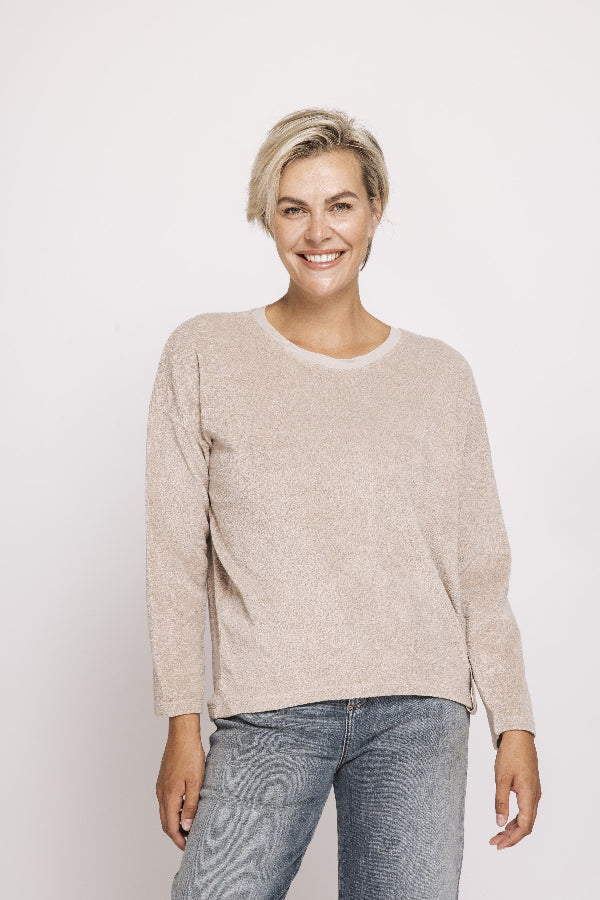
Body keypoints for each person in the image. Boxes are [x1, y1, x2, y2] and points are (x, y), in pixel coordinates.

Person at [145, 107, 542, 899]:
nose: (318, 231)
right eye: (294, 208)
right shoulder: (205, 353)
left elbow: (480, 567)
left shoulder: (440, 377)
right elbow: (175, 556)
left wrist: (515, 722)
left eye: (341, 205)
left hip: (419, 712)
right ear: (267, 216)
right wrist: (181, 723)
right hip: (270, 709)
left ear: (374, 212)